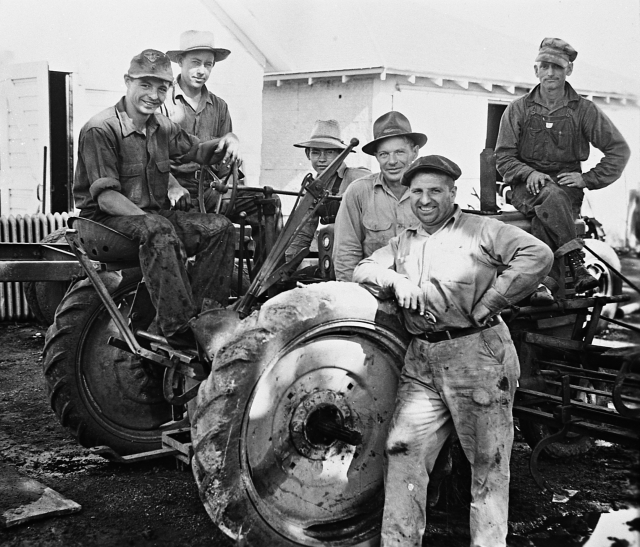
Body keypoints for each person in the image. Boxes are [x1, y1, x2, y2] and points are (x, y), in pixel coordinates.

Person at [353, 155, 553, 547]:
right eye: (417, 193)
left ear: (452, 193)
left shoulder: (482, 229)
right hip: (422, 360)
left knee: (488, 466)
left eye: (434, 191)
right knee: (403, 452)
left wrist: (494, 299)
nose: (425, 200)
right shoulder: (404, 240)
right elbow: (363, 268)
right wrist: (393, 279)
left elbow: (538, 256)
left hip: (476, 355)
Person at [73, 49, 236, 348]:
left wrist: (229, 140)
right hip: (105, 223)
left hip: (151, 218)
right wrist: (156, 222)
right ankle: (176, 331)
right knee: (159, 229)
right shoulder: (101, 128)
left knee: (221, 228)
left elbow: (199, 152)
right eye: (145, 85)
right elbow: (107, 198)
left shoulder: (161, 127)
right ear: (127, 81)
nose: (153, 94)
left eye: (161, 87)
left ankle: (206, 318)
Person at [496, 37, 630, 305]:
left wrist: (587, 178)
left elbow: (618, 151)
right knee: (550, 196)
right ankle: (575, 262)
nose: (550, 73)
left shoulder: (584, 111)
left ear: (568, 70)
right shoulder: (518, 109)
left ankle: (545, 288)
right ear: (535, 70)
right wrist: (528, 173)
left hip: (568, 189)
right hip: (526, 187)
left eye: (557, 67)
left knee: (547, 213)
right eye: (544, 66)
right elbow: (503, 158)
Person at [163, 30, 282, 269]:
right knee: (210, 233)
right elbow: (148, 156)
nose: (201, 70)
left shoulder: (219, 106)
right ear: (180, 62)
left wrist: (232, 140)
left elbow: (225, 161)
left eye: (208, 64)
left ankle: (262, 285)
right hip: (176, 194)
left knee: (268, 203)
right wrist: (171, 185)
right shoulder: (163, 102)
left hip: (211, 189)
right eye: (195, 63)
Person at [333, 111, 426, 281]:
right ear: (376, 156)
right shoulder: (358, 192)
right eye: (384, 154)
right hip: (373, 292)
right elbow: (346, 253)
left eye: (399, 152)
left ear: (415, 152)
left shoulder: (429, 194)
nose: (392, 161)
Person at [285, 119, 369, 263]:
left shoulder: (359, 178)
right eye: (316, 152)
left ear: (340, 155)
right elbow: (301, 235)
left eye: (329, 152)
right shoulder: (312, 190)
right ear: (307, 155)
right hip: (334, 257)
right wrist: (285, 271)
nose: (322, 159)